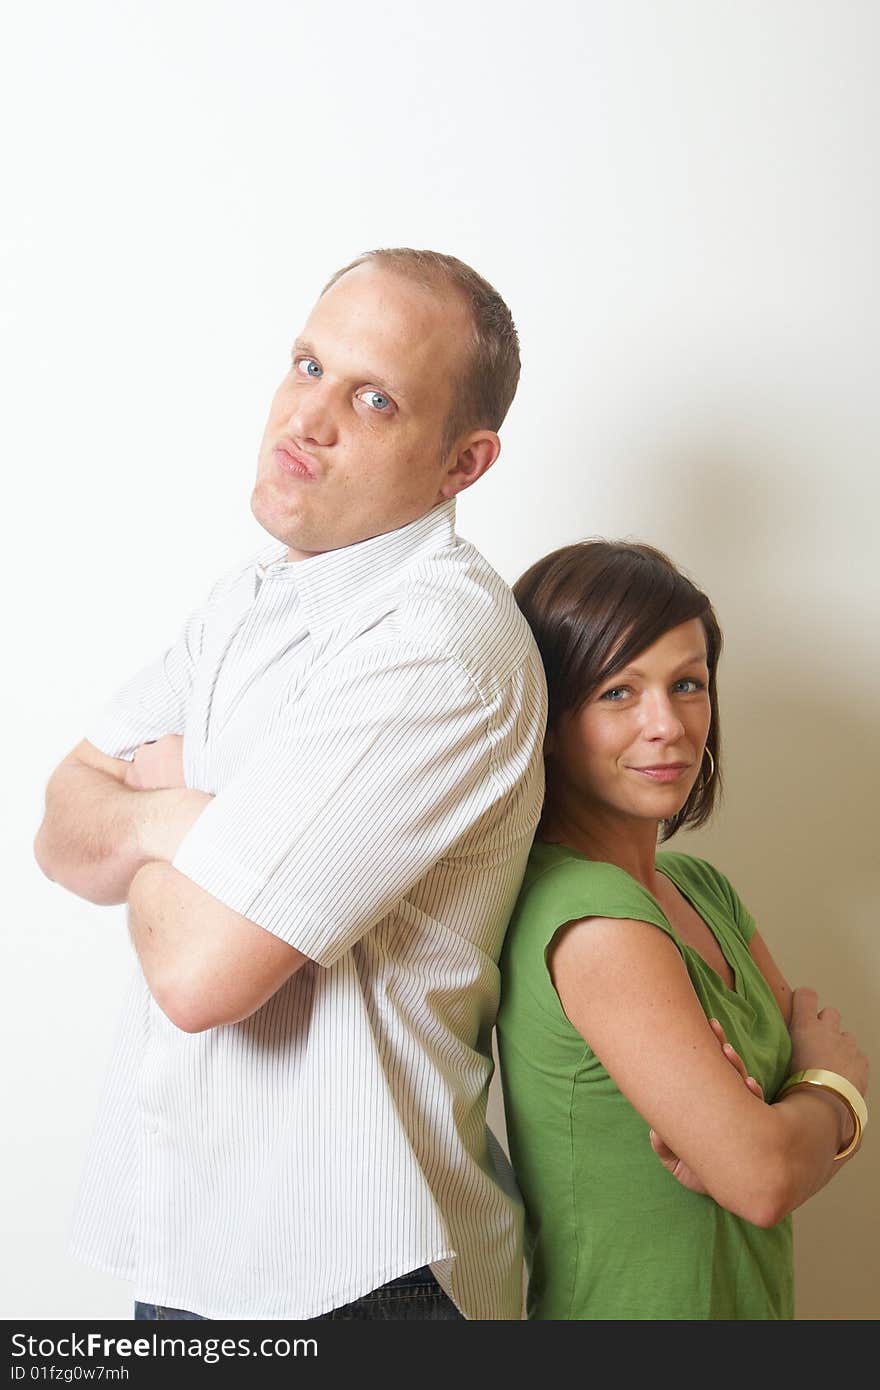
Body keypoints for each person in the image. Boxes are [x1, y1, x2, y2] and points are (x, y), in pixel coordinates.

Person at [33, 248, 547, 1321]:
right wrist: (183, 816)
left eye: (373, 398)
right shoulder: (246, 601)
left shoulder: (436, 647)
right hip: (195, 1250)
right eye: (308, 365)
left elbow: (203, 977)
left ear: (465, 463)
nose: (308, 419)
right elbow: (61, 826)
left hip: (358, 1278)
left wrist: (147, 816)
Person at [496, 539, 868, 1320]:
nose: (667, 725)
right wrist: (835, 1093)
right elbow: (764, 1179)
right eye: (617, 693)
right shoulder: (593, 919)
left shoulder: (701, 890)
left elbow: (765, 1150)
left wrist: (784, 1122)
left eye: (687, 684)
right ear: (551, 720)